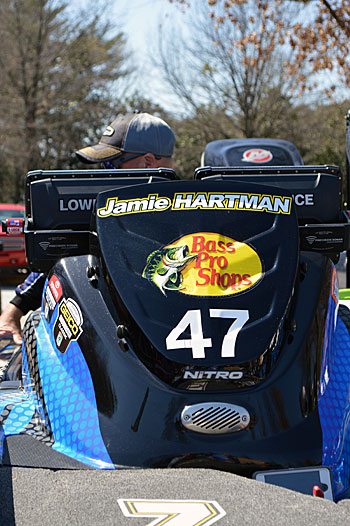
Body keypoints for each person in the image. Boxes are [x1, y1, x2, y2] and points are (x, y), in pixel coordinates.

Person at [0, 112, 176, 344]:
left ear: (147, 163)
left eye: (109, 164)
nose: (103, 172)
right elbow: (63, 255)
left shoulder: (197, 214)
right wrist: (12, 314)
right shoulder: (103, 210)